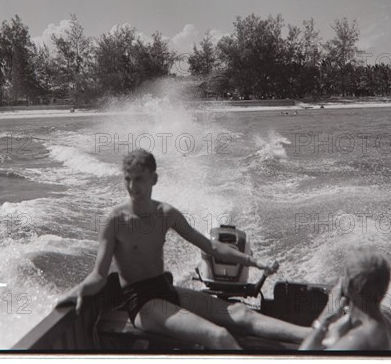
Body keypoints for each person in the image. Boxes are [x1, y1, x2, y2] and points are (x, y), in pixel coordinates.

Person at [57, 149, 310, 350]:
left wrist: (255, 262)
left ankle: (318, 337)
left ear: (154, 179)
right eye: (128, 179)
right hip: (142, 303)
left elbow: (209, 245)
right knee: (219, 336)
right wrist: (77, 292)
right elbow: (99, 276)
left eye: (139, 179)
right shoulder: (115, 221)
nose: (133, 187)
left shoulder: (166, 214)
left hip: (166, 290)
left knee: (242, 314)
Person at [299, 251, 391, 351]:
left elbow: (301, 363)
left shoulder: (357, 340)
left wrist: (325, 318)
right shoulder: (390, 318)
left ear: (348, 285)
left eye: (344, 276)